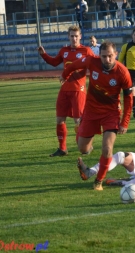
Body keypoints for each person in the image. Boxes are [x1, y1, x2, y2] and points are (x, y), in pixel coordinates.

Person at [60, 40, 133, 191]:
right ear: (99, 55)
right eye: (104, 56)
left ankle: (98, 181)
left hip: (111, 113)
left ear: (116, 55)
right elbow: (72, 66)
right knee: (82, 149)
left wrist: (125, 122)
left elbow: (128, 98)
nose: (107, 60)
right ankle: (87, 143)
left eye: (110, 56)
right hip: (91, 111)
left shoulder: (123, 72)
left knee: (107, 148)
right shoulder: (91, 62)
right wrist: (64, 75)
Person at [37, 25, 94, 157]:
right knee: (59, 119)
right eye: (72, 36)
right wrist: (43, 54)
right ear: (68, 37)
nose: (74, 38)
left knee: (78, 121)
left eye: (76, 36)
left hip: (78, 90)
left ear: (80, 36)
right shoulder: (64, 50)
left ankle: (84, 146)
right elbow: (54, 62)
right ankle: (62, 149)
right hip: (64, 90)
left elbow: (95, 65)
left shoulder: (86, 50)